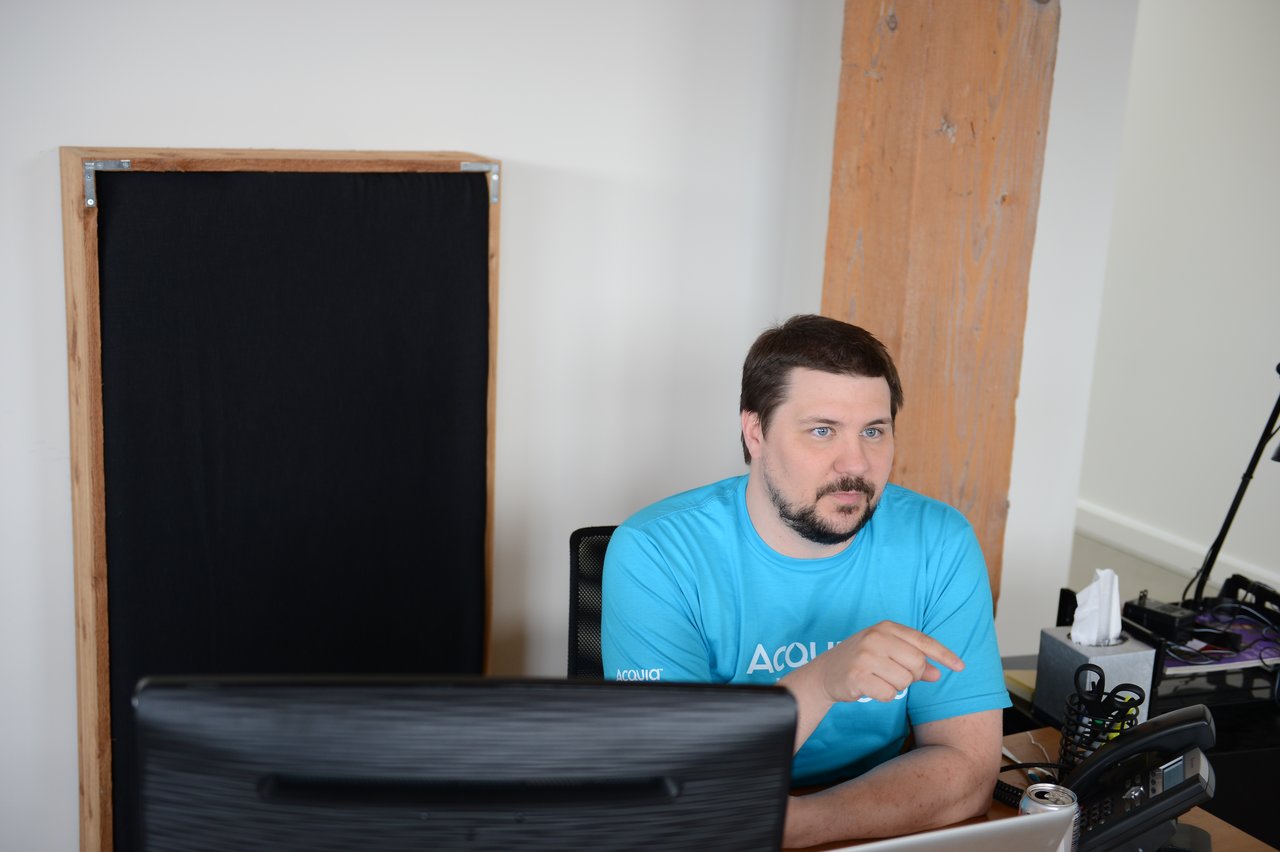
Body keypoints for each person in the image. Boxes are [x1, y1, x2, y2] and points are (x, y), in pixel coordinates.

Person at [601, 314, 1010, 848]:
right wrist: (819, 683)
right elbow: (679, 785)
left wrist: (792, 825)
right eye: (822, 431)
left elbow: (968, 774)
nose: (855, 463)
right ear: (756, 433)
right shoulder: (654, 551)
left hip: (870, 827)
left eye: (873, 431)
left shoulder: (940, 540)